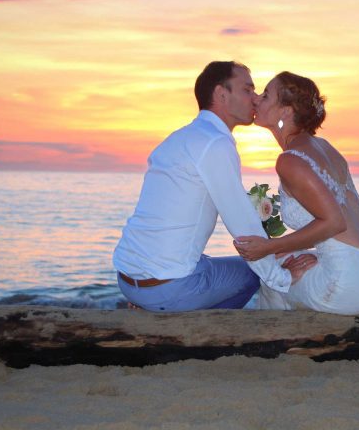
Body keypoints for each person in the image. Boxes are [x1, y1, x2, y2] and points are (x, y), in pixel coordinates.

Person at [112, 61, 317, 312]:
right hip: (165, 289)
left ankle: (157, 309)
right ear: (221, 94)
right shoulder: (215, 143)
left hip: (128, 279)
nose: (254, 99)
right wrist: (281, 277)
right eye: (247, 90)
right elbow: (241, 225)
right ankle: (192, 329)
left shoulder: (180, 138)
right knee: (254, 275)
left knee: (225, 265)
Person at [233, 72, 359, 315]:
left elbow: (334, 222)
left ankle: (269, 344)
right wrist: (312, 254)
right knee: (287, 259)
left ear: (285, 111)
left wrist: (267, 248)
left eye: (266, 95)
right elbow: (343, 224)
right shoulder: (324, 147)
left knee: (274, 277)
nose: (257, 99)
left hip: (353, 284)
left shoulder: (289, 160)